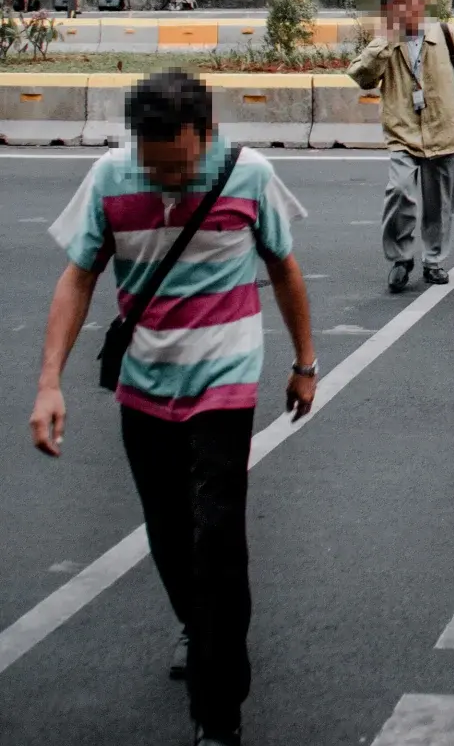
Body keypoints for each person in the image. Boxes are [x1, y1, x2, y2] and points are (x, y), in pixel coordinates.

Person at [30, 70, 314, 746]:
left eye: (180, 165)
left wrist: (305, 364)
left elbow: (283, 268)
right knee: (168, 531)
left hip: (225, 379)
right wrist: (49, 382)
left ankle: (219, 713)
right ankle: (198, 622)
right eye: (154, 167)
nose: (167, 181)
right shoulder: (109, 179)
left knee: (218, 540)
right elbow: (78, 276)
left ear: (207, 134)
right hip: (143, 385)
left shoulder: (249, 176)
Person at [347, 0, 454, 293]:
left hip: (443, 128)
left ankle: (434, 261)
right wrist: (386, 41)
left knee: (439, 204)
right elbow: (362, 77)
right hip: (403, 131)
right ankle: (400, 259)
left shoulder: (447, 36)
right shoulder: (386, 41)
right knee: (398, 191)